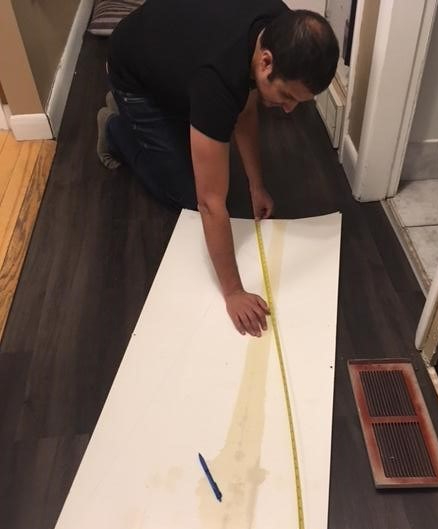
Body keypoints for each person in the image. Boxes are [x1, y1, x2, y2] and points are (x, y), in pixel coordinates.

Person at [97, 0, 339, 337]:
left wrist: (256, 184)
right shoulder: (218, 80)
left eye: (299, 101)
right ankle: (116, 127)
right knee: (184, 194)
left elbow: (245, 109)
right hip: (131, 71)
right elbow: (209, 202)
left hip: (172, 53)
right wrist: (234, 292)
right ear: (266, 61)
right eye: (287, 95)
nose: (288, 109)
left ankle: (149, 118)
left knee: (204, 127)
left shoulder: (284, 29)